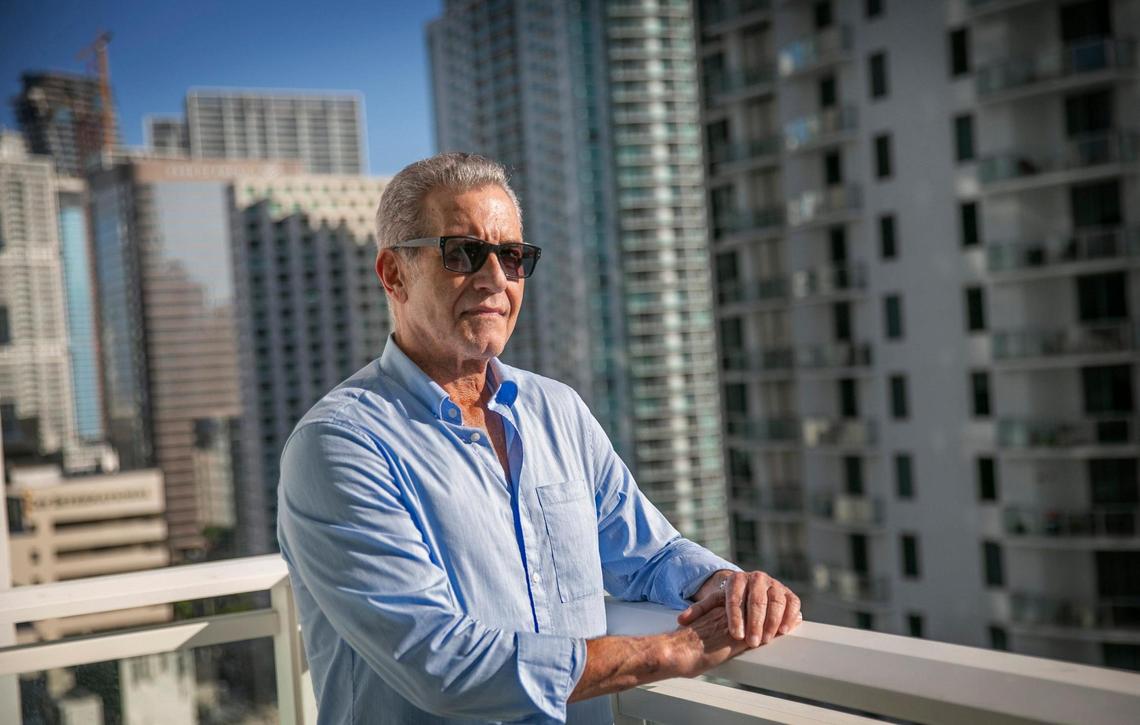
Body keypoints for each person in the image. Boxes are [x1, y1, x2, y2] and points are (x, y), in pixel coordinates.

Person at [277, 152, 802, 724]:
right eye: (463, 253)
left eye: (512, 256)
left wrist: (727, 585)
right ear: (393, 274)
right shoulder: (339, 445)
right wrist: (669, 653)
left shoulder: (558, 411)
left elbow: (649, 555)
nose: (495, 278)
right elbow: (439, 662)